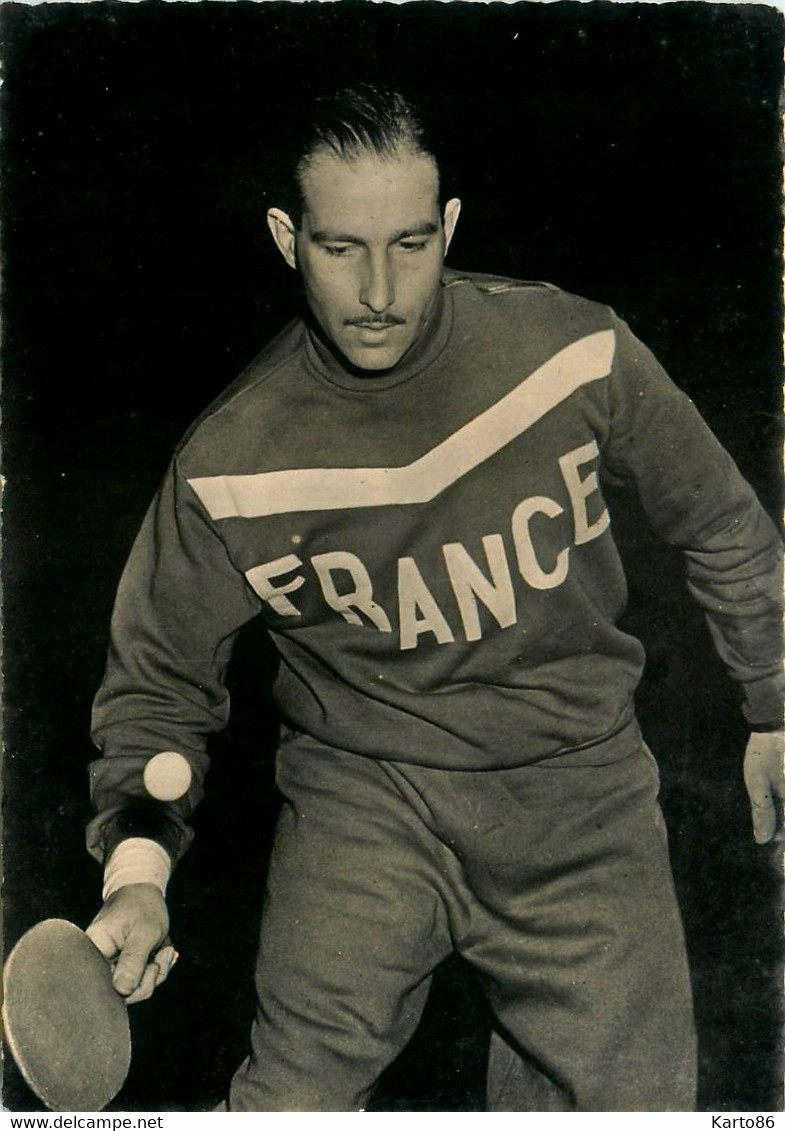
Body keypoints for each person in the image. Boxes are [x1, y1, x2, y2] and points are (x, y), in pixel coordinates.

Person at [83, 84, 783, 1112]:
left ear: (448, 224)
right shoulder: (228, 460)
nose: (379, 288)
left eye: (410, 244)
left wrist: (774, 698)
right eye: (339, 247)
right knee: (286, 1105)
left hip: (577, 797)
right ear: (285, 238)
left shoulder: (576, 351)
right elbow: (156, 683)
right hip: (366, 807)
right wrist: (136, 874)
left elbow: (719, 521)